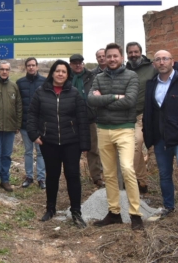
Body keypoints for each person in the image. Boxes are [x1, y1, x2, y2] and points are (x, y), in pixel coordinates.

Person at [27, 60, 90, 228]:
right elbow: (32, 115)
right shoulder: (41, 92)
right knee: (52, 176)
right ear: (52, 73)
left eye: (64, 71)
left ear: (68, 74)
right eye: (57, 71)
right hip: (49, 142)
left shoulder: (74, 93)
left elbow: (82, 120)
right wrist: (34, 135)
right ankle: (50, 209)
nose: (60, 74)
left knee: (73, 176)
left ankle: (76, 212)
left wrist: (84, 144)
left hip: (71, 142)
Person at [88, 43, 144, 231]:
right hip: (103, 129)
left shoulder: (131, 76)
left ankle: (135, 214)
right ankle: (114, 213)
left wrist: (104, 99)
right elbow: (91, 100)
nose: (112, 59)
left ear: (121, 58)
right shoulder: (98, 77)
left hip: (125, 129)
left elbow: (130, 101)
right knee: (109, 174)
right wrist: (115, 97)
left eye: (115, 56)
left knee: (127, 169)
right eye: (109, 56)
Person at [143, 50, 178, 218]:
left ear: (172, 61)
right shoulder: (151, 84)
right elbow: (148, 111)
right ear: (154, 64)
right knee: (164, 174)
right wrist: (147, 134)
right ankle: (169, 207)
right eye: (158, 59)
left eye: (165, 59)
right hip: (159, 138)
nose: (162, 62)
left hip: (177, 136)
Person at [0, 61, 22, 192]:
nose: (4, 71)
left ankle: (5, 180)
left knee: (6, 155)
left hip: (10, 126)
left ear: (9, 71)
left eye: (7, 69)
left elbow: (18, 106)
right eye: (2, 69)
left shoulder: (14, 86)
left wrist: (18, 124)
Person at [69, 53, 104, 188]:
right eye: (75, 63)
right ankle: (74, 176)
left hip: (90, 118)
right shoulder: (67, 78)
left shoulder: (91, 77)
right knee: (72, 150)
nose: (78, 65)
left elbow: (98, 95)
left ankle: (97, 177)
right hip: (72, 119)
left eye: (80, 62)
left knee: (94, 149)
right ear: (71, 64)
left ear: (83, 63)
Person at [126, 41, 155, 194]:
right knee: (132, 148)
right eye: (130, 52)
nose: (133, 55)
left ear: (141, 52)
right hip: (127, 115)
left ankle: (132, 181)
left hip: (143, 115)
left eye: (136, 52)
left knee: (136, 144)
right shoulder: (124, 70)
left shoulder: (152, 69)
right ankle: (142, 182)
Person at [16, 57, 46, 189]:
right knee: (28, 151)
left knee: (40, 152)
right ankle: (29, 177)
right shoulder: (20, 83)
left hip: (40, 125)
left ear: (37, 67)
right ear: (26, 67)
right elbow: (17, 104)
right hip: (25, 124)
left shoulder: (45, 82)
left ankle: (41, 178)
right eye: (29, 65)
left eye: (33, 65)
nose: (31, 67)